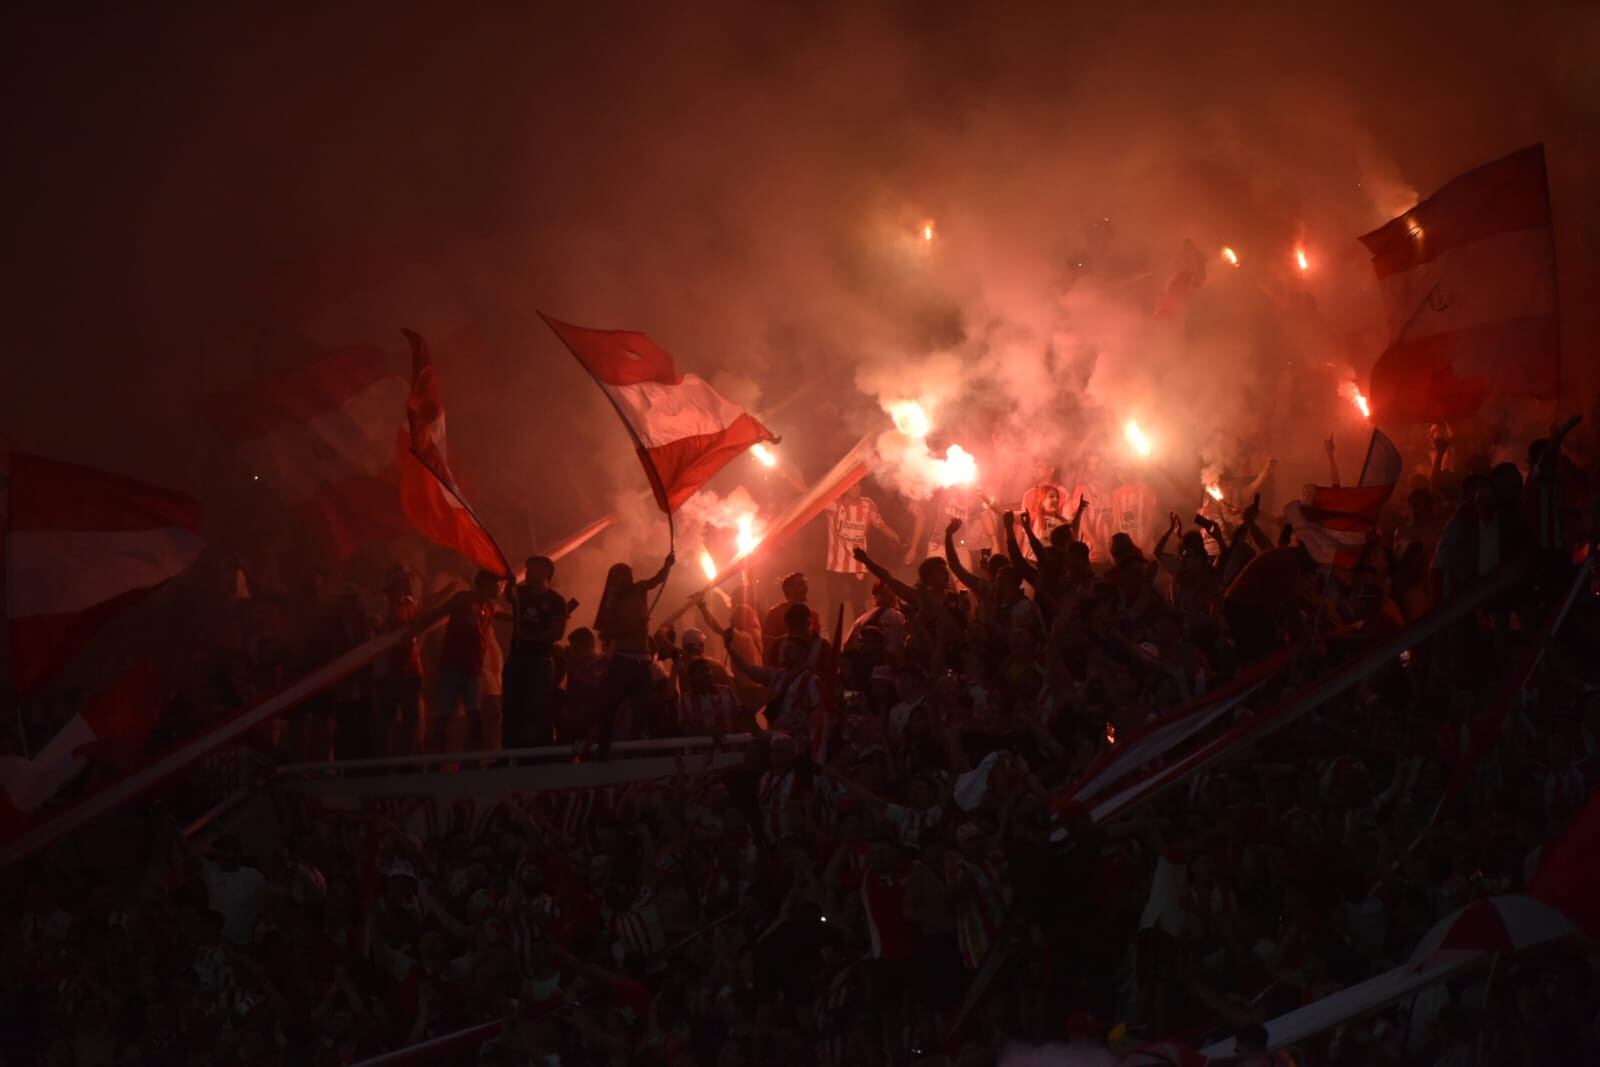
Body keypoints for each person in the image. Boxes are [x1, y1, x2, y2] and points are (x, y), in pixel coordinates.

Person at [592, 553, 674, 757]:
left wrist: (667, 565)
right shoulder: (612, 601)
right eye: (623, 575)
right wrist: (632, 627)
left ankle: (635, 746)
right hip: (623, 658)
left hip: (643, 659)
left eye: (629, 574)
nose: (628, 578)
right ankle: (604, 744)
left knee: (641, 705)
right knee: (612, 703)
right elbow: (609, 631)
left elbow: (658, 580)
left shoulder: (639, 589)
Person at [503, 555, 572, 747]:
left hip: (540, 660)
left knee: (540, 708)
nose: (526, 573)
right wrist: (509, 582)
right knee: (511, 707)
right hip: (517, 657)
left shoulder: (557, 600)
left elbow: (557, 633)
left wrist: (531, 638)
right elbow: (508, 596)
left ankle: (542, 752)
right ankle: (510, 752)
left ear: (544, 571)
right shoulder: (520, 592)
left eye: (530, 569)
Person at [435, 569, 505, 752]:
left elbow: (514, 617)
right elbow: (438, 613)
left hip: (473, 669)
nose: (499, 588)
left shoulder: (490, 606)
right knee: (444, 714)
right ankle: (434, 760)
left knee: (474, 714)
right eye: (496, 583)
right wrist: (412, 631)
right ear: (485, 584)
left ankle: (473, 759)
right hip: (452, 666)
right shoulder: (463, 599)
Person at [824, 482, 901, 624]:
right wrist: (786, 475)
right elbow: (812, 500)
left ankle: (861, 637)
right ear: (844, 487)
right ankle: (831, 641)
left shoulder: (867, 505)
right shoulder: (833, 503)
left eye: (859, 485)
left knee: (858, 604)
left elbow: (880, 524)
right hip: (836, 566)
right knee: (834, 604)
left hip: (858, 565)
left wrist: (895, 536)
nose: (857, 488)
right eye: (852, 485)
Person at [376, 570, 425, 757]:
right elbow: (377, 624)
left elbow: (428, 605)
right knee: (387, 720)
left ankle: (407, 760)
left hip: (411, 672)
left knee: (411, 720)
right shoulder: (383, 610)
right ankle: (384, 762)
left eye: (396, 589)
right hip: (391, 675)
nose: (393, 593)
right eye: (391, 590)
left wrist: (446, 592)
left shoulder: (410, 605)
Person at [762, 572, 820, 664]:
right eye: (801, 584)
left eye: (805, 584)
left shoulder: (813, 615)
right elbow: (768, 644)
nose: (806, 588)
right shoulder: (776, 613)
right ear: (789, 590)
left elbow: (816, 646)